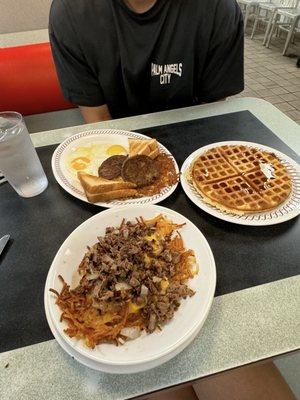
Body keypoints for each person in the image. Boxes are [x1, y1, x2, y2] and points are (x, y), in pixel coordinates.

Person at [49, 0, 244, 123]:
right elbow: (98, 119)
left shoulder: (218, 8)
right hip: (115, 137)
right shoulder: (71, 12)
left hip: (189, 132)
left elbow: (208, 117)